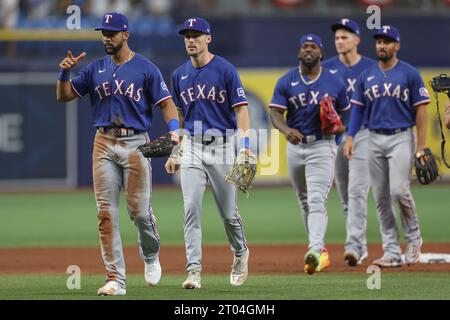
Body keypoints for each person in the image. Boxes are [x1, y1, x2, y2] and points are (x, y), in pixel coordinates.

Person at [56, 12, 180, 295]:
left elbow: (166, 103)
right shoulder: (94, 69)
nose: (106, 38)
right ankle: (115, 278)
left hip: (136, 143)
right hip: (103, 142)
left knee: (138, 213)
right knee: (105, 214)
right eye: (104, 33)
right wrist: (64, 72)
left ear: (126, 35)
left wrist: (174, 133)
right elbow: (63, 96)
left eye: (111, 33)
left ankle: (150, 255)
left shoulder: (146, 68)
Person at [164, 17, 251, 289]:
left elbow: (241, 110)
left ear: (208, 38)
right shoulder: (179, 74)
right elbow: (179, 115)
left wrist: (246, 149)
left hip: (222, 146)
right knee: (191, 207)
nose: (191, 39)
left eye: (197, 34)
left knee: (228, 213)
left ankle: (240, 252)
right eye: (187, 35)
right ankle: (193, 271)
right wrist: (175, 150)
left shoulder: (225, 69)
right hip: (193, 147)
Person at [343, 26, 430, 267]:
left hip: (401, 136)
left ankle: (413, 239)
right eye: (379, 41)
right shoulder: (366, 76)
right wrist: (350, 137)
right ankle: (391, 250)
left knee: (398, 191)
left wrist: (420, 146)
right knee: (380, 198)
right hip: (373, 137)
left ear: (397, 46)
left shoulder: (409, 74)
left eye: (387, 42)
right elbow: (358, 108)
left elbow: (421, 109)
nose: (382, 45)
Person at [269, 34, 350, 275]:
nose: (308, 50)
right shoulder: (287, 81)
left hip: (322, 146)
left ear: (321, 53)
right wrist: (285, 129)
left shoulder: (335, 82)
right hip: (295, 146)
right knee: (304, 200)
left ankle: (315, 250)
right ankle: (321, 249)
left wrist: (340, 127)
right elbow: (274, 112)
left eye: (313, 46)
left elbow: (347, 114)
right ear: (298, 52)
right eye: (304, 46)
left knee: (316, 199)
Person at [322, 19, 377, 266]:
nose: (339, 41)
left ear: (357, 40)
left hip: (363, 134)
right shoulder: (326, 68)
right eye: (337, 37)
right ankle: (360, 245)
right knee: (345, 196)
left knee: (356, 192)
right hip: (336, 137)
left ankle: (354, 246)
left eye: (345, 36)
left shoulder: (372, 67)